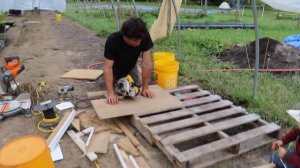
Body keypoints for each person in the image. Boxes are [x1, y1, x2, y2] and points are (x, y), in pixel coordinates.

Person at [103, 17, 155, 105]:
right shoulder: (113, 40)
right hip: (115, 69)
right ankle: (114, 82)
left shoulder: (144, 35)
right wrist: (110, 93)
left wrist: (145, 88)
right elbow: (108, 68)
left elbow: (146, 64)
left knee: (135, 90)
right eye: (135, 40)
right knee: (119, 91)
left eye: (140, 41)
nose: (138, 43)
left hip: (131, 66)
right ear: (125, 36)